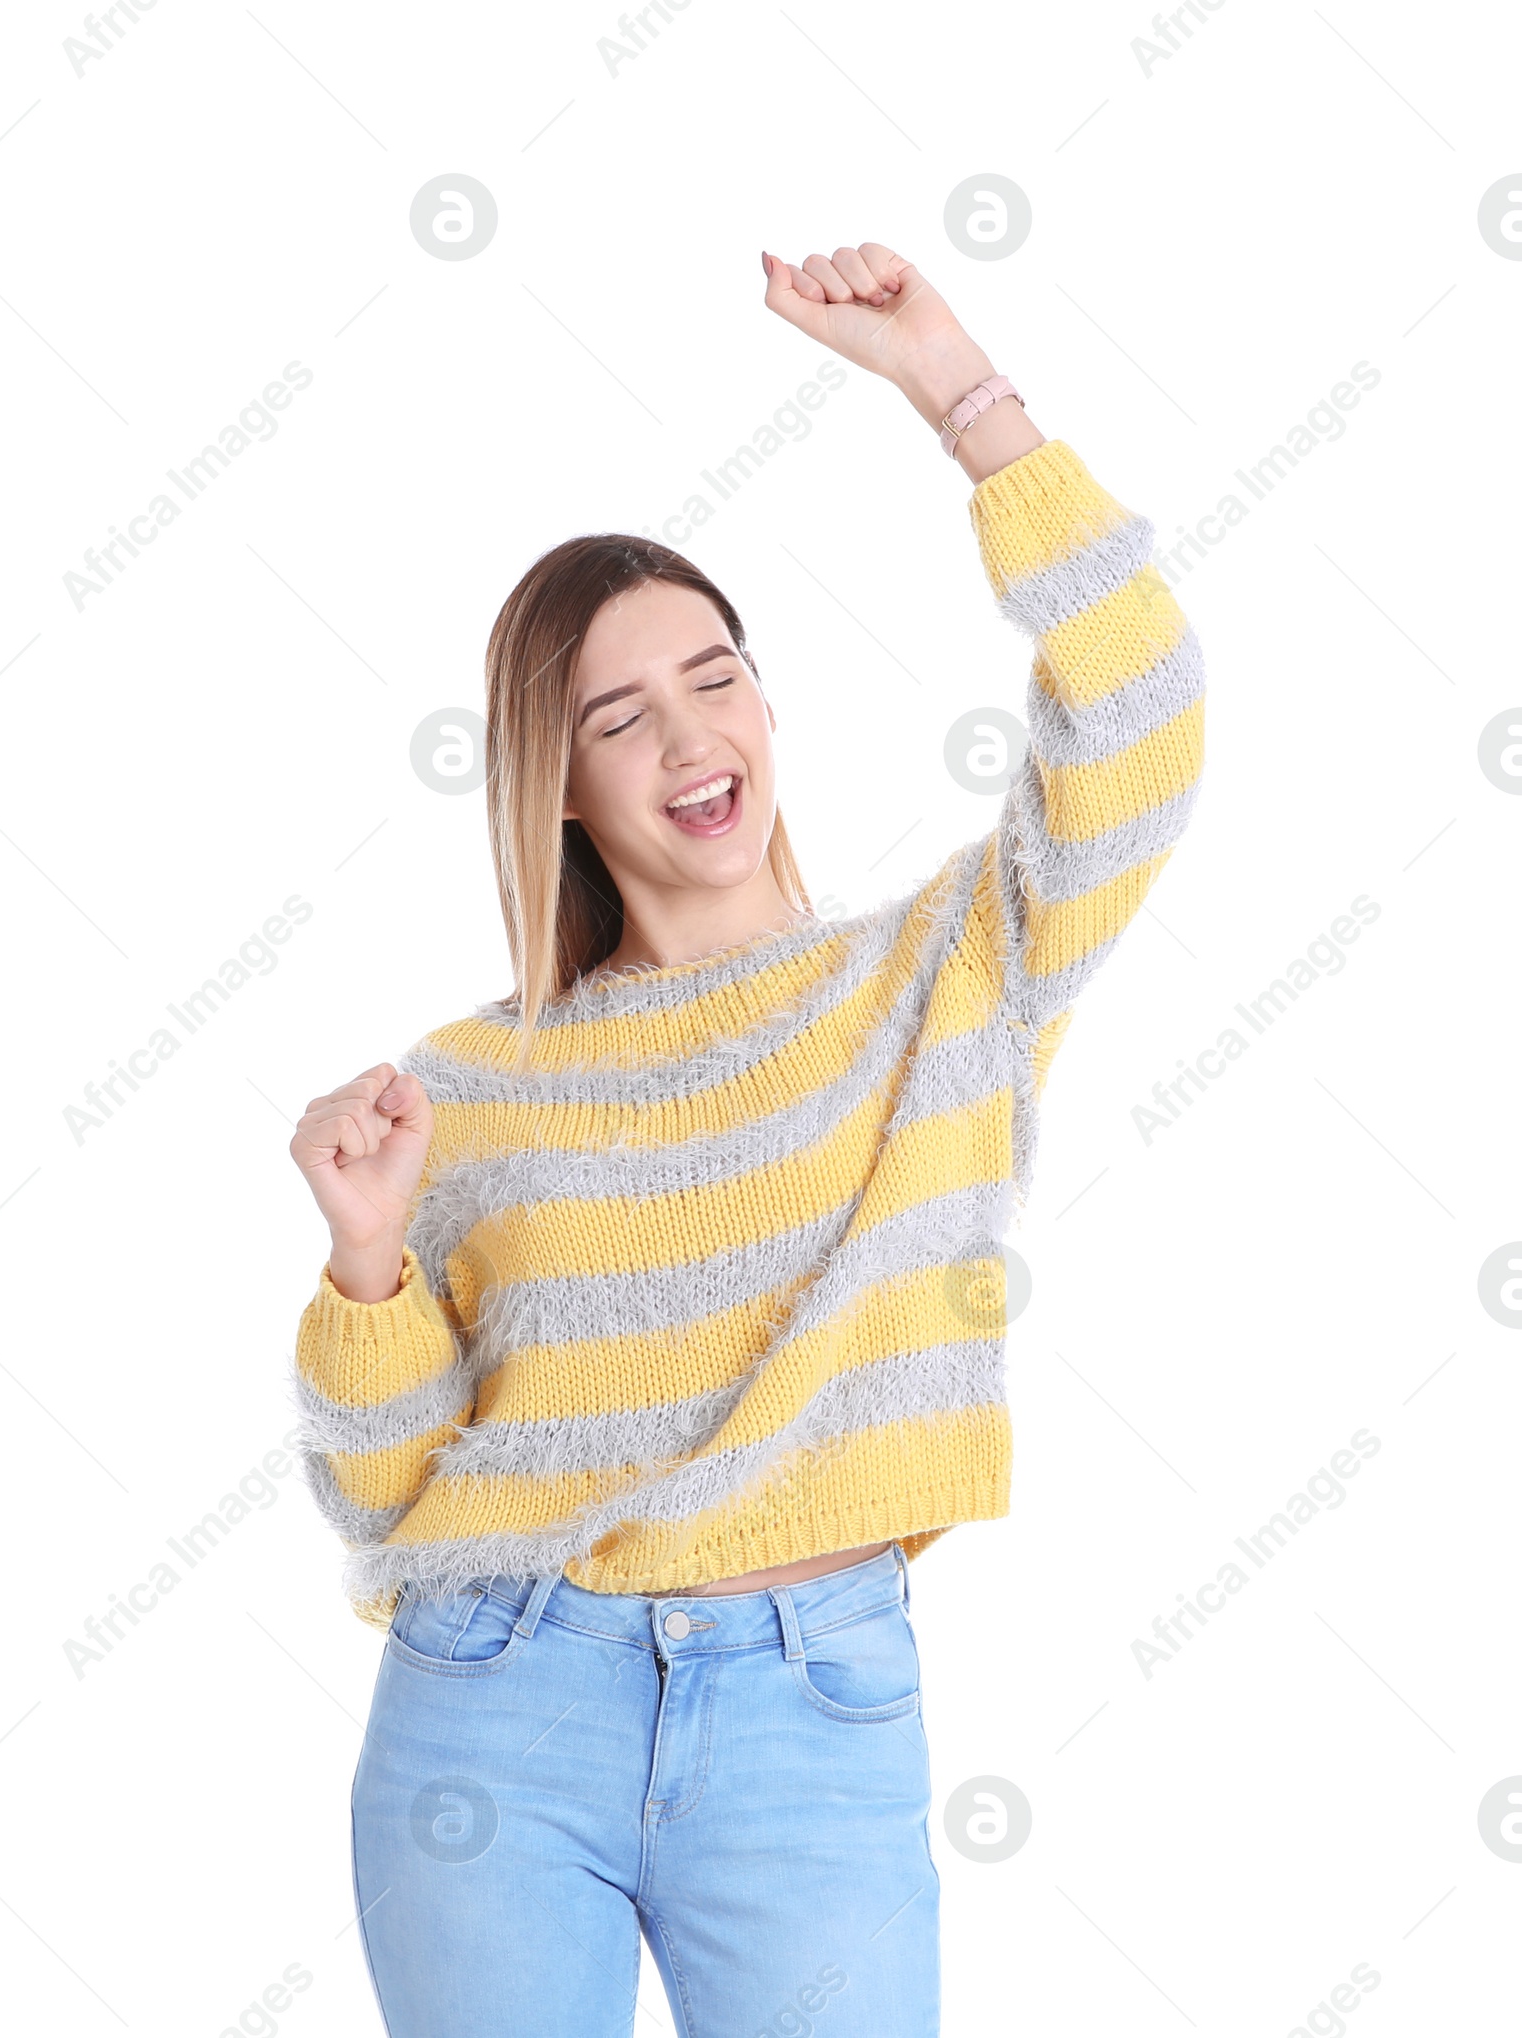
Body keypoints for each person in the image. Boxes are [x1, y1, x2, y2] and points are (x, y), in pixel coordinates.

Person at [287, 239, 1206, 2037]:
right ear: (555, 778)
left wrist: (960, 390)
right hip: (497, 1700)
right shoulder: (469, 1080)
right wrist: (368, 1264)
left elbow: (1146, 712)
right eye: (620, 716)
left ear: (771, 703)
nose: (691, 738)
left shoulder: (949, 975)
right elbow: (382, 1501)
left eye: (717, 678)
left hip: (814, 1710)